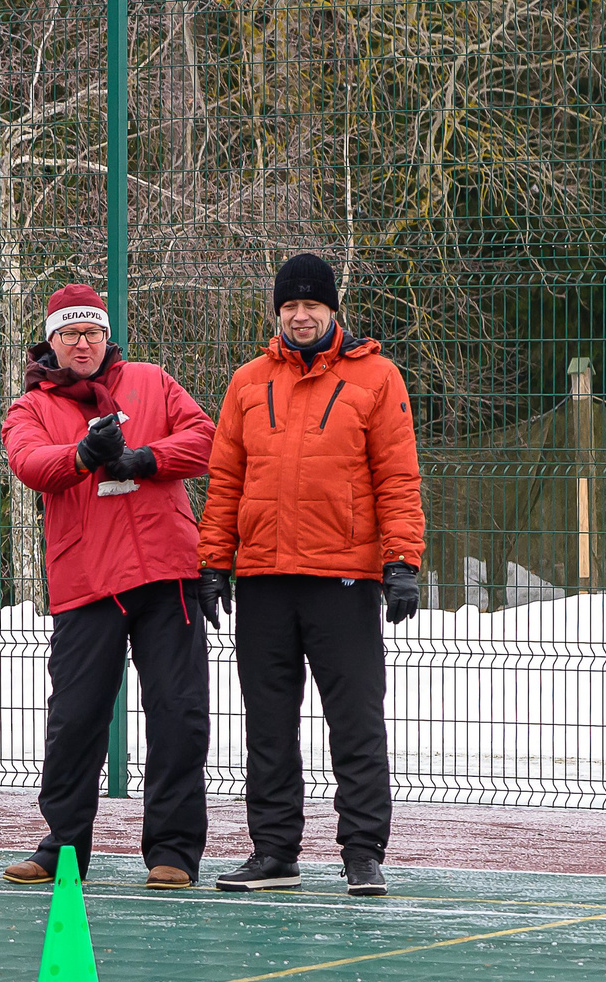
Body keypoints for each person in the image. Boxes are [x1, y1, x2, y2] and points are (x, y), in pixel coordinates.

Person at [197, 252, 426, 896]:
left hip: (344, 578)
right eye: (291, 306)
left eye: (313, 306)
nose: (302, 316)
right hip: (264, 577)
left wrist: (402, 560)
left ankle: (362, 851)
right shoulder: (247, 382)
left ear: (333, 311)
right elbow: (225, 482)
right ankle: (273, 852)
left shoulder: (378, 379)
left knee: (355, 719)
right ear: (278, 312)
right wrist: (213, 561)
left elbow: (398, 477)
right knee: (268, 724)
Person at [0, 283, 217, 890]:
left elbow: (206, 440)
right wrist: (84, 455)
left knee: (179, 712)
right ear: (51, 341)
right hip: (87, 579)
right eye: (69, 334)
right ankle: (62, 846)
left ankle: (173, 851)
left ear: (107, 336)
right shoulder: (30, 407)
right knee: (75, 717)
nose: (82, 343)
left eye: (92, 332)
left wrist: (145, 458)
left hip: (167, 572)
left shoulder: (151, 380)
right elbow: (29, 464)